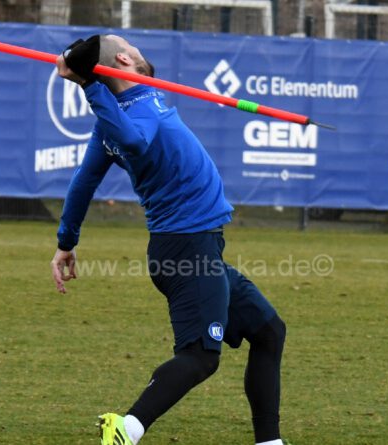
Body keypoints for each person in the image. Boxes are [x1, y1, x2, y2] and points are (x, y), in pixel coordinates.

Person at [50, 34, 287, 445]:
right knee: (199, 357)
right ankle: (126, 428)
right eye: (129, 45)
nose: (139, 50)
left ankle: (270, 442)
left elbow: (82, 183)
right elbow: (134, 140)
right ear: (124, 57)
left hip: (195, 246)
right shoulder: (138, 108)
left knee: (269, 331)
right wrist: (89, 84)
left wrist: (66, 241)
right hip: (187, 247)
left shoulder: (128, 109)